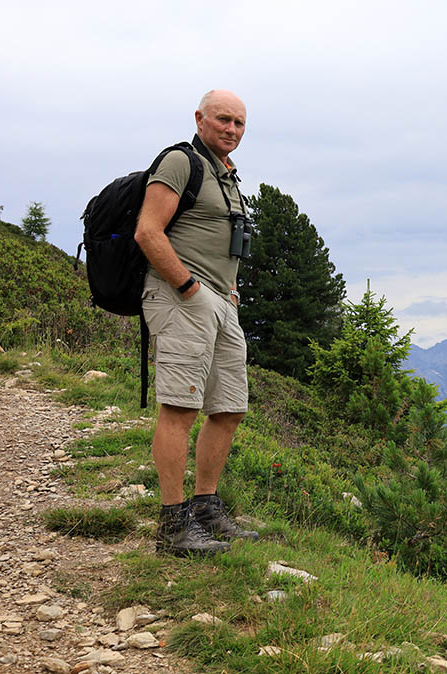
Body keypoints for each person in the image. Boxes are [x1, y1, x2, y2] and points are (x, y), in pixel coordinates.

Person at [134, 90, 259, 555]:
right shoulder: (179, 162)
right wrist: (189, 288)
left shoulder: (226, 174)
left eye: (240, 123)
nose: (231, 129)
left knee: (229, 409)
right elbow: (148, 230)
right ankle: (173, 524)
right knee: (181, 408)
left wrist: (223, 295)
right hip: (182, 297)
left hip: (220, 302)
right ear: (200, 119)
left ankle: (206, 509)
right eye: (223, 119)